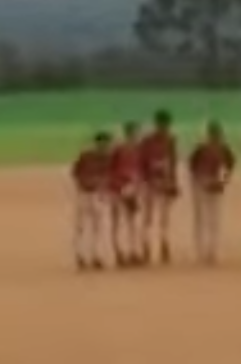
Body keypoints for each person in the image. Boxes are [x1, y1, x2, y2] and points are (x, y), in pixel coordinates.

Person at [188, 121, 237, 266]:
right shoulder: (201, 148)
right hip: (201, 187)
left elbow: (229, 166)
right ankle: (202, 251)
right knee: (203, 218)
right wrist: (202, 182)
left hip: (214, 186)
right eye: (213, 133)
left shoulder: (223, 149)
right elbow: (193, 167)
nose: (215, 136)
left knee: (213, 219)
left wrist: (222, 183)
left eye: (216, 134)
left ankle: (212, 250)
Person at [139, 109, 180, 264]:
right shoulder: (147, 141)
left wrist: (174, 182)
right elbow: (141, 162)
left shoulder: (170, 140)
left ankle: (164, 244)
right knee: (148, 217)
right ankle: (146, 246)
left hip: (164, 183)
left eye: (166, 125)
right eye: (162, 124)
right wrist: (145, 180)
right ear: (156, 124)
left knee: (164, 217)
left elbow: (173, 161)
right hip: (150, 182)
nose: (164, 127)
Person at [72, 131, 112, 271]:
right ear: (97, 143)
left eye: (106, 143)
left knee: (97, 227)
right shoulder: (86, 155)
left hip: (97, 195)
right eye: (103, 143)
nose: (105, 146)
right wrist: (82, 185)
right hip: (84, 194)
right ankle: (80, 255)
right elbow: (75, 172)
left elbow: (108, 177)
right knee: (81, 227)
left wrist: (104, 190)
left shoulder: (108, 158)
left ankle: (95, 256)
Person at [109, 121, 145, 267]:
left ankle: (133, 252)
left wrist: (137, 185)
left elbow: (141, 170)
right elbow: (110, 169)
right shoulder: (118, 149)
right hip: (117, 189)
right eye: (135, 132)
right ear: (129, 133)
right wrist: (119, 186)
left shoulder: (138, 149)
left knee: (133, 222)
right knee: (119, 222)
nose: (137, 135)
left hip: (133, 189)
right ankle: (119, 252)